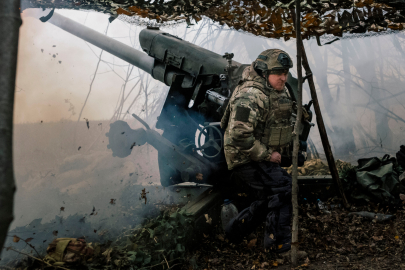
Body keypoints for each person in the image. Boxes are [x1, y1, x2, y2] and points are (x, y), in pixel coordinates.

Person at [220, 49, 295, 253]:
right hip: (244, 156)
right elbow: (239, 135)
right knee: (284, 188)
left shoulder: (276, 89)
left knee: (268, 198)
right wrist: (268, 155)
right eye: (278, 72)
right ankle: (278, 248)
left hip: (258, 154)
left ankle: (233, 232)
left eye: (285, 72)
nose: (283, 77)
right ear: (263, 72)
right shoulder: (250, 95)